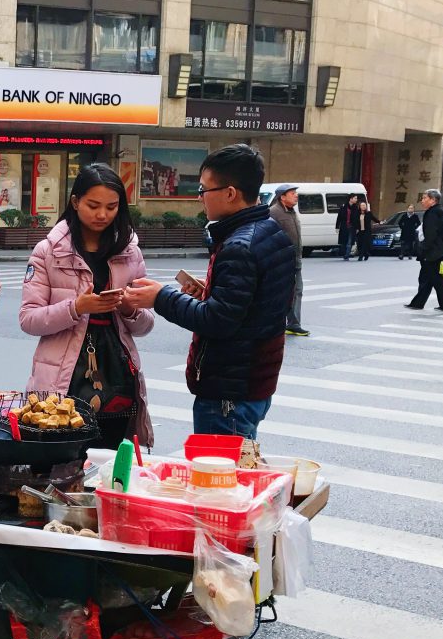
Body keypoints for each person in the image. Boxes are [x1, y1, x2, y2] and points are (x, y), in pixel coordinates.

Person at [122, 144, 294, 440]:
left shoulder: (239, 247)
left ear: (230, 193)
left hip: (229, 392)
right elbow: (253, 307)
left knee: (219, 481)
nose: (200, 198)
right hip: (254, 383)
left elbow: (218, 321)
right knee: (239, 472)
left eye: (204, 190)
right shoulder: (270, 231)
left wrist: (161, 297)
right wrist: (211, 291)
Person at [19, 164, 154, 450]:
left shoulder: (129, 252)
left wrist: (130, 308)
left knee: (110, 459)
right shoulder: (49, 251)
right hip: (63, 376)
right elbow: (28, 319)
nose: (102, 214)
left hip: (117, 371)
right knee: (61, 458)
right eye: (93, 205)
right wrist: (76, 307)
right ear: (75, 201)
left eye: (112, 206)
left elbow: (145, 325)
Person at [268, 184, 309, 336]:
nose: (296, 195)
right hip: (281, 262)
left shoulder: (292, 212)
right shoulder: (274, 213)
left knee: (297, 291)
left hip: (295, 260)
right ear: (282, 197)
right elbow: (269, 237)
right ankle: (275, 323)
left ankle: (293, 324)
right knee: (281, 293)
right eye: (292, 193)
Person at [406, 189, 443, 312]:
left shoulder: (433, 213)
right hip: (435, 250)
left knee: (435, 278)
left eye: (424, 198)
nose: (422, 201)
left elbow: (431, 234)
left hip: (432, 251)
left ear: (433, 200)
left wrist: (423, 248)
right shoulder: (437, 211)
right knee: (426, 278)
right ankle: (418, 303)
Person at [335, 193, 359, 260]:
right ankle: (345, 253)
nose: (356, 200)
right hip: (344, 227)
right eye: (355, 198)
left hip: (352, 227)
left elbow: (357, 219)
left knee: (349, 242)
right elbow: (339, 217)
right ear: (351, 199)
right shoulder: (343, 207)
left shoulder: (355, 208)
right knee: (344, 242)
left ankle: (347, 255)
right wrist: (337, 227)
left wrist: (357, 227)